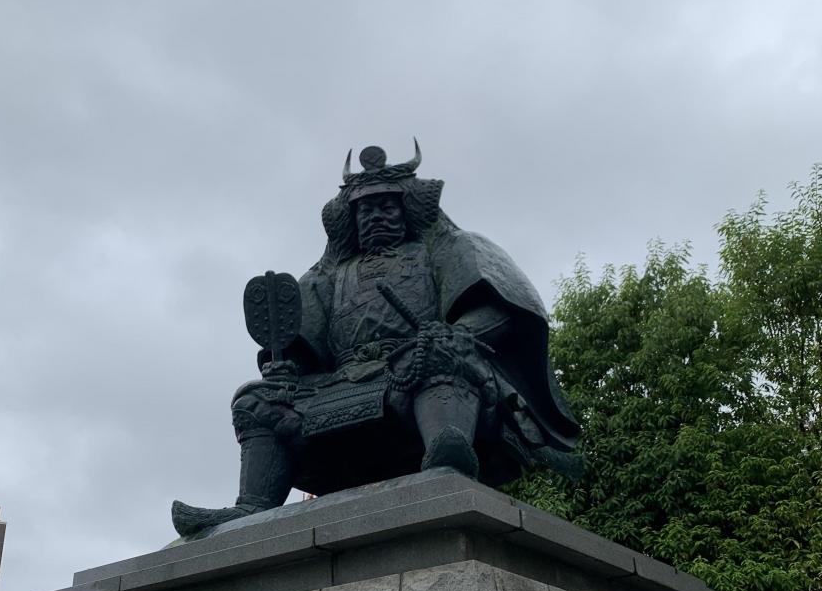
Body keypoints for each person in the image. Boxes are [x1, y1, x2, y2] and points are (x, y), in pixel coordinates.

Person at [172, 144, 580, 537]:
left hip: (413, 367)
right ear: (350, 219)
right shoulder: (328, 275)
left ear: (408, 209)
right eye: (365, 209)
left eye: (387, 206)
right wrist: (287, 367)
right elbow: (300, 342)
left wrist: (455, 333)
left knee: (438, 355)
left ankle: (447, 452)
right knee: (257, 399)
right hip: (342, 382)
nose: (375, 216)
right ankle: (253, 503)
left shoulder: (445, 248)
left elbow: (496, 309)